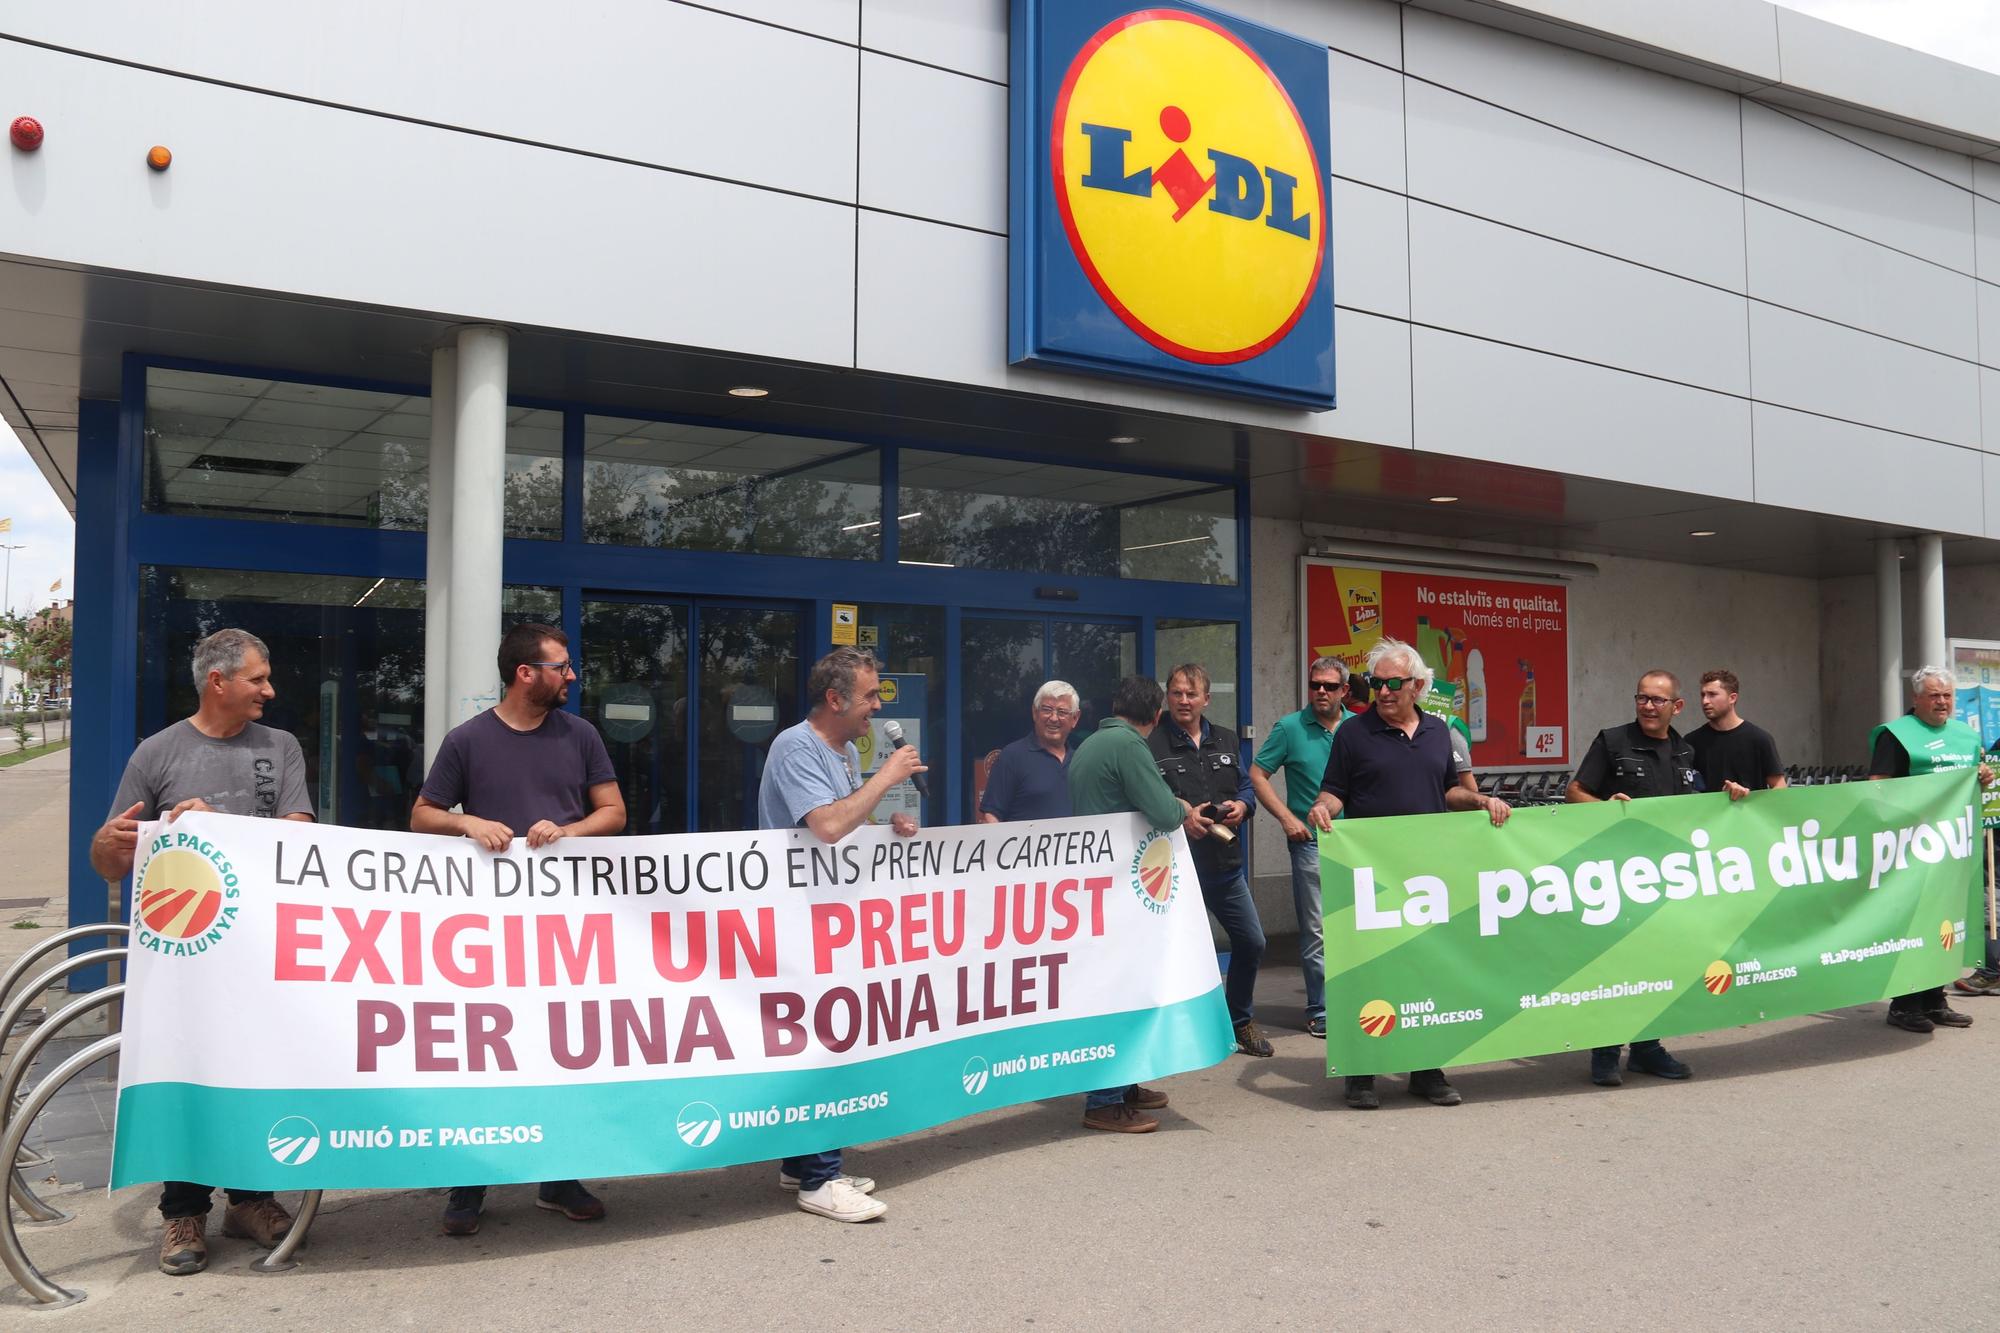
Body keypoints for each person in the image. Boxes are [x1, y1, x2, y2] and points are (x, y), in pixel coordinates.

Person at [89, 628, 313, 1277]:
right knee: (186, 1070)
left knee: (254, 1071)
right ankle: (182, 1210)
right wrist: (109, 840)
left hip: (262, 951)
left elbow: (299, 832)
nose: (270, 690)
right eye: (259, 679)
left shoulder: (281, 746)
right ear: (219, 682)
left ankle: (249, 1198)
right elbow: (111, 861)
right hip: (185, 953)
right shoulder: (156, 753)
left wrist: (217, 823)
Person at [413, 622, 627, 1236]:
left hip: (565, 924)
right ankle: (468, 1183)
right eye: (562, 666)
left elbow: (613, 812)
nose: (572, 676)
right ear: (525, 673)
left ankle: (559, 1177)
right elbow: (422, 815)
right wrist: (468, 823)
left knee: (562, 1043)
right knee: (486, 1049)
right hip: (486, 929)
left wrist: (570, 832)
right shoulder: (468, 740)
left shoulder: (580, 734)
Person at [757, 646, 924, 1221]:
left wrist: (886, 827)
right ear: (835, 699)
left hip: (832, 917)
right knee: (824, 1038)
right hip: (800, 918)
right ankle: (820, 1183)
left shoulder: (848, 749)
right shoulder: (795, 746)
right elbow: (825, 826)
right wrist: (889, 778)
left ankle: (800, 1162)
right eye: (870, 696)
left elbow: (845, 816)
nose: (876, 707)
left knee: (823, 1035)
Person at [1308, 638, 1510, 1109]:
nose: (1382, 692)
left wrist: (1479, 800)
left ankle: (1426, 1068)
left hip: (1428, 875)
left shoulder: (1441, 731)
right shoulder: (1354, 733)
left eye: (1392, 683)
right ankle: (1361, 1072)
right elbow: (1334, 792)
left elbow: (1451, 792)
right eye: (1376, 683)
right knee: (1369, 971)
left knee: (1425, 969)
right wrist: (1321, 809)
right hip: (1370, 875)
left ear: (1418, 685)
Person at [1068, 674, 1208, 1132]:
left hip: (1099, 882)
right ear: (1155, 716)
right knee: (1120, 988)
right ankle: (1105, 1101)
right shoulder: (1130, 746)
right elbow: (1164, 813)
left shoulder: (1091, 743)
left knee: (1120, 985)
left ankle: (1124, 1085)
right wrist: (1178, 804)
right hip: (1118, 887)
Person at [1565, 670, 1700, 1086]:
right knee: (1614, 963)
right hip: (1615, 873)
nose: (1647, 705)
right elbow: (1575, 792)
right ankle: (1605, 1052)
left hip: (1665, 876)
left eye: (1657, 700)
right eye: (1641, 697)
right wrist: (1606, 806)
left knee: (1658, 961)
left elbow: (1696, 806)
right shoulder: (1613, 741)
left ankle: (1647, 1048)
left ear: (1676, 707)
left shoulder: (1685, 752)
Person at [1149, 663, 1269, 1057]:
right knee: (1171, 954)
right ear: (1167, 696)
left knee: (1251, 942)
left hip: (1226, 865)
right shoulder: (1151, 744)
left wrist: (1242, 805)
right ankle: (1169, 1033)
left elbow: (1247, 785)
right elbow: (1145, 800)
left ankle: (1240, 1023)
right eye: (1177, 693)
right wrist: (1180, 818)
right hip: (1176, 869)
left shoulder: (1228, 739)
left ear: (1206, 699)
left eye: (1191, 694)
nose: (1184, 701)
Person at [1866, 665, 1996, 1029]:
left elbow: (1972, 785)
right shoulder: (1897, 736)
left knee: (1945, 924)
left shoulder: (1965, 736)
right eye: (1934, 695)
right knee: (1912, 927)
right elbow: (1878, 787)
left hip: (1952, 849)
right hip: (1910, 849)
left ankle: (1935, 999)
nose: (1942, 702)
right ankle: (1905, 1004)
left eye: (1948, 695)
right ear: (1916, 698)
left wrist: (1982, 776)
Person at [1249, 656, 1348, 1038]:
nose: (1321, 691)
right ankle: (1320, 1008)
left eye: (1329, 686)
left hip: (1359, 844)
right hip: (1311, 844)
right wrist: (1287, 819)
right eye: (1315, 685)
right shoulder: (1290, 728)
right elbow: (1257, 774)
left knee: (1358, 925)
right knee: (1318, 929)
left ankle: (1354, 999)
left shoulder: (1359, 728)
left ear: (1344, 689)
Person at [977, 680, 1080, 823]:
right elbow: (991, 815)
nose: (1054, 718)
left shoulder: (1080, 761)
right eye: (1047, 710)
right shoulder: (1012, 757)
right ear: (1035, 713)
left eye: (1062, 712)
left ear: (1075, 719)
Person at [1687, 670, 1786, 800]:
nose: (1705, 701)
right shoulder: (1691, 742)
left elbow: (1779, 787)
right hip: (1708, 818)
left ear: (1732, 698)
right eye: (1703, 695)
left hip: (1749, 817)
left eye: (1712, 694)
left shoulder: (1759, 739)